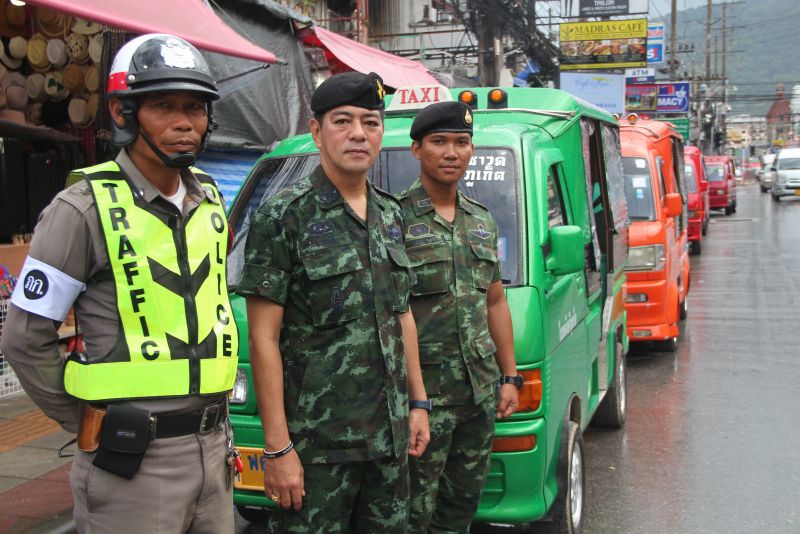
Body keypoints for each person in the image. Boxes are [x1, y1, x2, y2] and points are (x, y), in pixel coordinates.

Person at [0, 34, 239, 533]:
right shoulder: (81, 209)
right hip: (131, 461)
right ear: (123, 112)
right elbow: (25, 338)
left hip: (215, 448)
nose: (183, 123)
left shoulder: (210, 201)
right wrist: (86, 423)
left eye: (195, 108)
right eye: (163, 106)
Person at [236, 71, 430, 533]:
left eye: (371, 121)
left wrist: (419, 403)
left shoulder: (390, 214)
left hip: (389, 441)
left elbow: (402, 315)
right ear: (316, 131)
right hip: (316, 449)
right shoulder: (284, 215)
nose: (359, 133)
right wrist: (278, 448)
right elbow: (264, 339)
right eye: (343, 121)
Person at [396, 101, 520, 533]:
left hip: (478, 395)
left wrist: (509, 376)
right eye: (439, 142)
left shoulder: (482, 221)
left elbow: (496, 301)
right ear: (417, 150)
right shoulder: (395, 221)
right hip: (425, 400)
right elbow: (395, 314)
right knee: (414, 514)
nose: (452, 152)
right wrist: (416, 400)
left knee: (461, 509)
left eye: (462, 143)